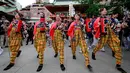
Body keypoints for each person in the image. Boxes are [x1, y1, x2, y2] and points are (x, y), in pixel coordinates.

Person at [91, 8, 126, 73]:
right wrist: (98, 26)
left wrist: (120, 26)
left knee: (118, 50)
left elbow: (114, 25)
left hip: (111, 36)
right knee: (99, 46)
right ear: (101, 12)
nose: (106, 11)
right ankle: (93, 53)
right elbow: (94, 27)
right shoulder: (98, 19)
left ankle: (118, 65)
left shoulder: (109, 18)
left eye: (106, 10)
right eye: (104, 10)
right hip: (103, 36)